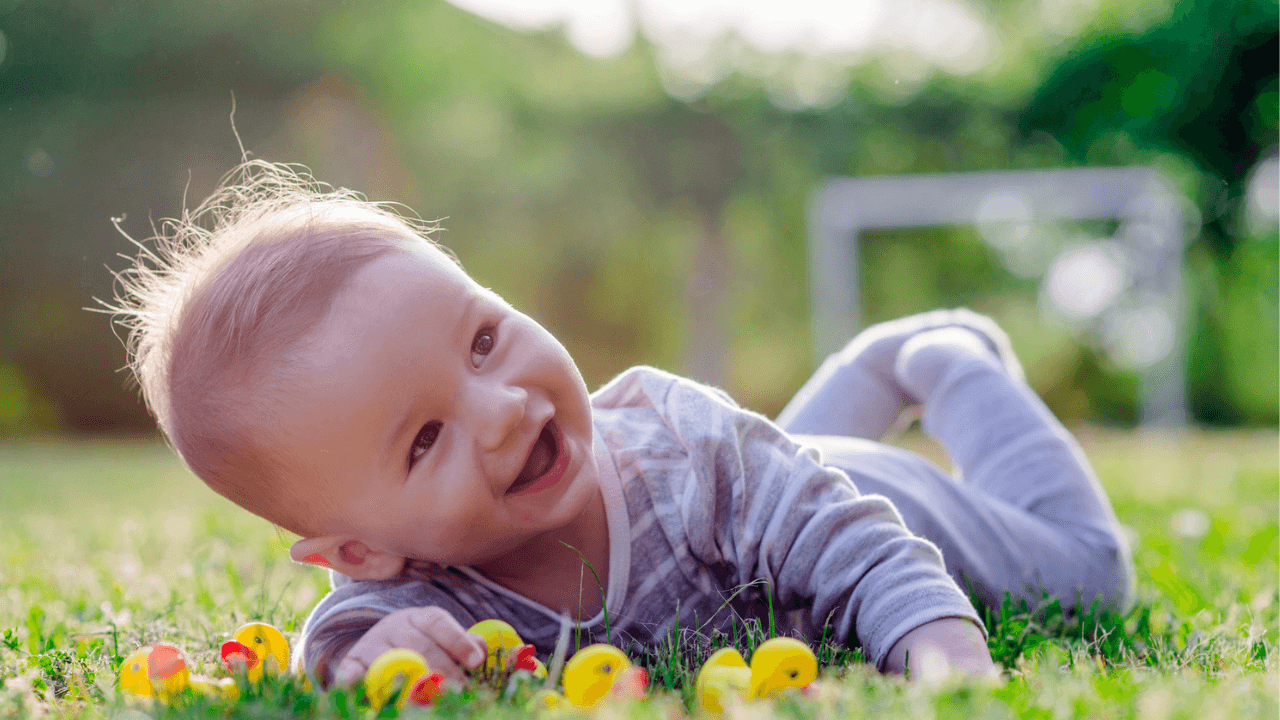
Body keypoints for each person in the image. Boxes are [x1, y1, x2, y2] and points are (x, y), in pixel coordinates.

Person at [109, 161, 1131, 690]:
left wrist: (948, 669)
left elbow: (866, 554)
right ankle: (861, 375)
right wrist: (373, 659)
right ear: (365, 549)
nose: (503, 408)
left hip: (876, 504)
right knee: (771, 474)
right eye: (423, 440)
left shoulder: (681, 453)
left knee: (1090, 577)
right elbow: (333, 641)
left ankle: (934, 360)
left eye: (482, 341)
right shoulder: (415, 588)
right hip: (770, 491)